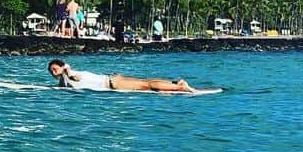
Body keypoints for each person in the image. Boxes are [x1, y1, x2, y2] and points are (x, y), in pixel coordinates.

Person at [47, 58, 195, 93]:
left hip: (113, 84)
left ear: (60, 67)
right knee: (146, 82)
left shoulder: (69, 73)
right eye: (51, 71)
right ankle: (174, 83)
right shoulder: (64, 79)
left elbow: (70, 73)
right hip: (112, 79)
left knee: (147, 85)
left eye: (55, 69)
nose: (54, 72)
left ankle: (180, 87)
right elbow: (63, 86)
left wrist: (65, 69)